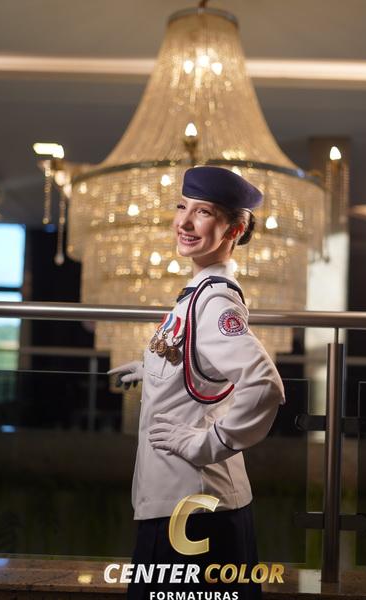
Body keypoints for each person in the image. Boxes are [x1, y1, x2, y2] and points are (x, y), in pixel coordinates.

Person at [108, 166, 286, 599]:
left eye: (203, 212)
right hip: (182, 501)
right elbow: (199, 365)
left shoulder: (215, 301)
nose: (184, 223)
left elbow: (264, 386)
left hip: (192, 511)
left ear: (235, 229)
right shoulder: (197, 293)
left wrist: (207, 444)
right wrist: (152, 369)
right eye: (181, 207)